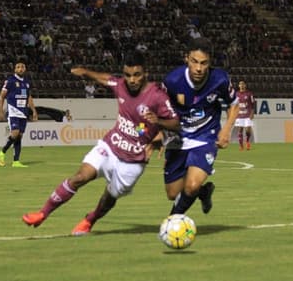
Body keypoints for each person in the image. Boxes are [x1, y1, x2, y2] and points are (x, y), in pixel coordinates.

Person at [22, 51, 179, 235]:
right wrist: (85, 72)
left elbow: (176, 123)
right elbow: (105, 79)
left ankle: (90, 219)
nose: (132, 80)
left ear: (145, 73)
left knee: (109, 197)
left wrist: (158, 122)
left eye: (137, 75)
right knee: (81, 176)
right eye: (128, 75)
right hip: (110, 148)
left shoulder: (157, 96)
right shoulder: (120, 85)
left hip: (133, 162)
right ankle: (42, 213)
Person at [161, 37, 239, 216]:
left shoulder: (220, 79)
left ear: (210, 62)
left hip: (206, 136)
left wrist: (226, 129)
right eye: (194, 62)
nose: (198, 68)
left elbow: (234, 104)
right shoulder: (172, 80)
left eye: (204, 63)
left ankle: (172, 222)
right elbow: (160, 107)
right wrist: (160, 134)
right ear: (186, 58)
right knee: (173, 193)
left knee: (191, 186)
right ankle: (203, 192)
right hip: (178, 138)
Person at [0, 60, 37, 168]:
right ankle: (2, 152)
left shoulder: (27, 82)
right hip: (13, 111)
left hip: (23, 112)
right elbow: (1, 96)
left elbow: (29, 97)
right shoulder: (10, 81)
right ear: (15, 69)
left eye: (22, 67)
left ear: (25, 69)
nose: (20, 69)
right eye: (18, 67)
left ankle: (16, 161)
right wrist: (1, 111)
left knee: (19, 136)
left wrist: (34, 110)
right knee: (15, 133)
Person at [234, 80, 255, 150]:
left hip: (247, 114)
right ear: (239, 86)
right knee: (240, 130)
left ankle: (247, 142)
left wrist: (252, 113)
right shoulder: (236, 94)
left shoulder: (249, 94)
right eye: (240, 84)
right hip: (239, 115)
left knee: (248, 130)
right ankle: (241, 146)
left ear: (245, 85)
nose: (242, 85)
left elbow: (252, 104)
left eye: (243, 84)